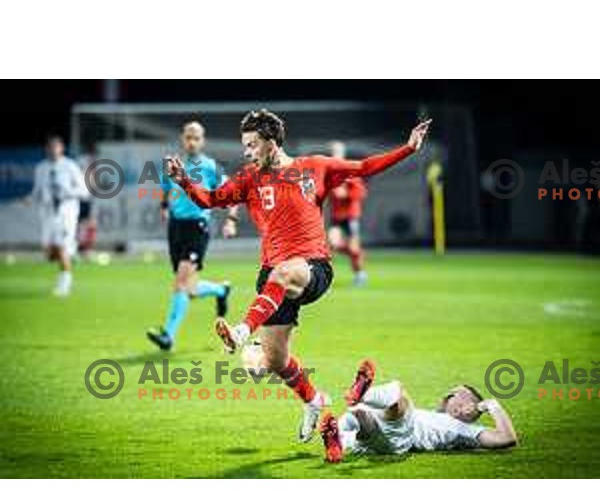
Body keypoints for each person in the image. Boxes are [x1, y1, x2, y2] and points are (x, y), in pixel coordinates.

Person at [167, 109, 431, 442]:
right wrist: (183, 182)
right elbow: (211, 199)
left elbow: (364, 168)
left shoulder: (314, 167)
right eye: (244, 145)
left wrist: (408, 148)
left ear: (272, 143)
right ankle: (312, 400)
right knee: (276, 359)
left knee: (282, 274)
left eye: (252, 145)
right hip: (274, 278)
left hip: (313, 267)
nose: (247, 152)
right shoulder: (249, 178)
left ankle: (241, 330)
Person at [146, 118, 236, 351]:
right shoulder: (173, 166)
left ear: (202, 141)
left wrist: (231, 220)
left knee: (180, 283)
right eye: (188, 137)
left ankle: (168, 336)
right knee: (188, 287)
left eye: (196, 138)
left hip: (198, 226)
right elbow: (166, 190)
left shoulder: (210, 166)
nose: (192, 142)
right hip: (176, 228)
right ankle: (220, 290)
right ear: (182, 140)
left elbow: (232, 192)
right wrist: (165, 208)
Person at [320, 360, 518, 463]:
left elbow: (507, 439)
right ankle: (338, 443)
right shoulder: (437, 417)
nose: (447, 395)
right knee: (361, 414)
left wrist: (492, 405)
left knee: (399, 393)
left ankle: (364, 395)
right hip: (377, 443)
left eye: (454, 394)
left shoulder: (461, 428)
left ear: (464, 408)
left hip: (401, 439)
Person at [32, 135, 88, 296]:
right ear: (46, 149)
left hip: (66, 213)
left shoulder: (70, 166)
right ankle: (71, 251)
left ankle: (65, 282)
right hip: (48, 214)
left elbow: (84, 191)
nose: (52, 150)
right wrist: (29, 199)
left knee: (62, 246)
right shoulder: (41, 168)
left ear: (61, 148)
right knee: (49, 253)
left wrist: (67, 193)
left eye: (55, 147)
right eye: (49, 147)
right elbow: (37, 191)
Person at [327, 141, 368, 286]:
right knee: (333, 243)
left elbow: (361, 193)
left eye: (337, 151)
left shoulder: (350, 170)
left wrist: (346, 194)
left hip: (350, 216)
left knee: (353, 248)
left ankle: (360, 274)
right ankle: (355, 254)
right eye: (332, 151)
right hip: (336, 217)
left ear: (342, 153)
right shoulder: (330, 172)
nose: (334, 154)